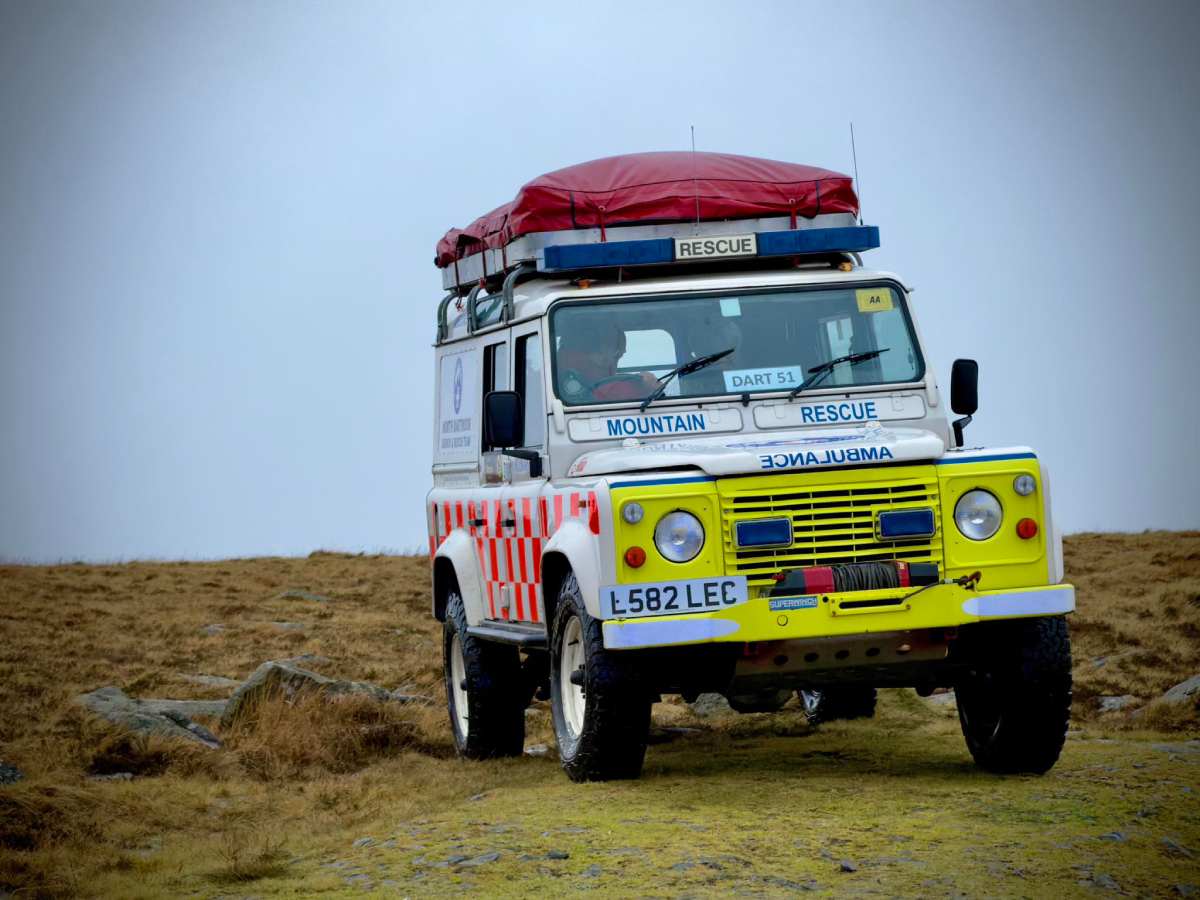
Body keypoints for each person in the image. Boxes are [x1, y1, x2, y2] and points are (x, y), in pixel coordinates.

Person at [557, 322, 660, 403]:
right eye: (617, 356)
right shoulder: (580, 372)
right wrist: (645, 386)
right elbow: (605, 394)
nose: (616, 363)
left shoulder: (560, 365)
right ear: (602, 351)